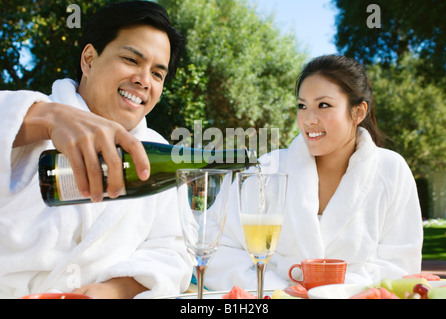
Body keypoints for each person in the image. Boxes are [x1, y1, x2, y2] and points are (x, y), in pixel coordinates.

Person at [0, 1, 192, 298]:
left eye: (157, 74)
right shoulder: (29, 118)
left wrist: (115, 289)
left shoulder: (157, 152)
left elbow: (173, 252)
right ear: (88, 59)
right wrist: (46, 118)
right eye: (131, 60)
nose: (143, 80)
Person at [205, 55, 423, 290]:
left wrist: (334, 291)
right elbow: (216, 250)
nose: (309, 119)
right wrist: (279, 290)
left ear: (358, 112)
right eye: (302, 106)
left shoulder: (391, 171)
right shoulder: (265, 171)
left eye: (324, 105)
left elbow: (401, 267)